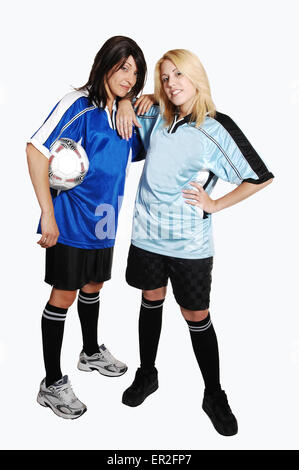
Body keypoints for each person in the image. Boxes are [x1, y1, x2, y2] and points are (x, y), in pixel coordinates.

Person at [119, 49, 274, 436]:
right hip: (146, 234)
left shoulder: (217, 126)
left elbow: (260, 176)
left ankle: (214, 394)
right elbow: (121, 101)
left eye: (178, 75)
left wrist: (215, 204)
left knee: (196, 316)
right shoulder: (156, 114)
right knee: (150, 300)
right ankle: (147, 374)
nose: (171, 83)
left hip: (189, 243)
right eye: (165, 77)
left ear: (196, 77)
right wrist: (127, 100)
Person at [26, 36, 147, 420]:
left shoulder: (127, 113)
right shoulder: (79, 104)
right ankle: (51, 382)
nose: (129, 77)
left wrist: (132, 100)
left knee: (94, 286)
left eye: (135, 72)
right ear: (105, 63)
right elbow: (35, 149)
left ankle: (90, 352)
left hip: (105, 221)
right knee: (64, 295)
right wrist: (47, 212)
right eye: (123, 67)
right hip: (71, 219)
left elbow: (169, 106)